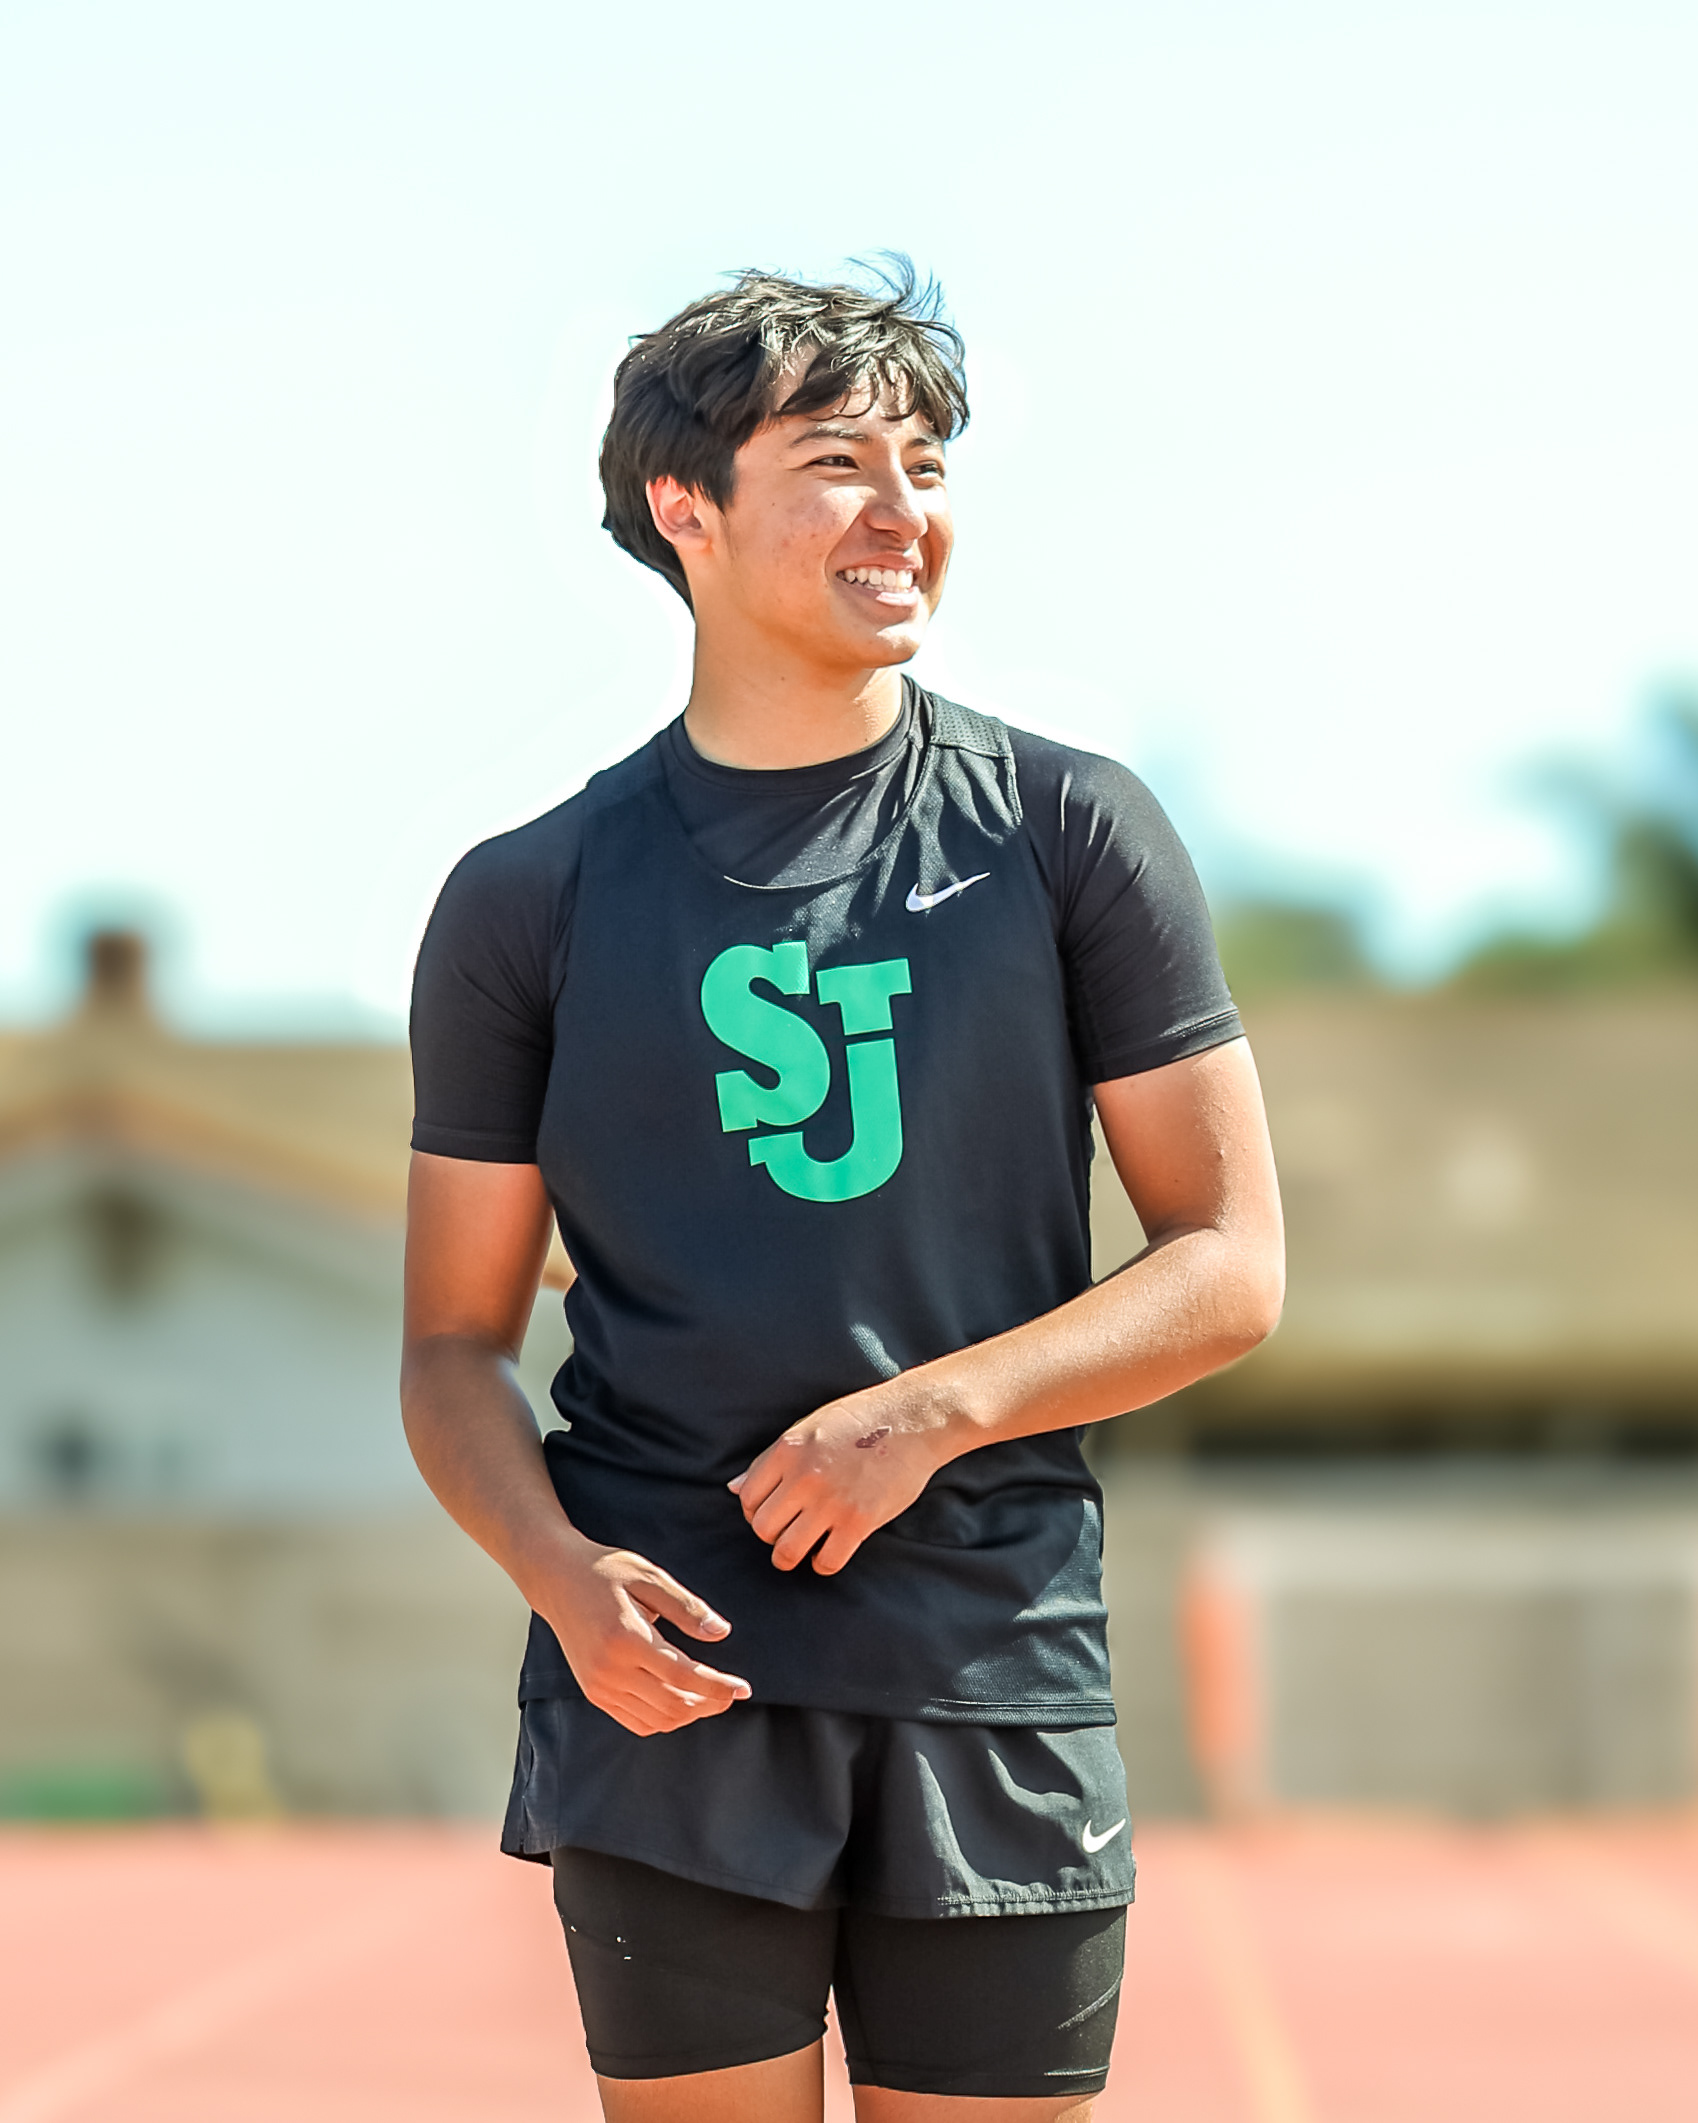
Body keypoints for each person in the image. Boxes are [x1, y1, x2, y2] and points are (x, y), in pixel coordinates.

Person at [402, 263, 1284, 2123]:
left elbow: (1226, 1264)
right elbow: (451, 1342)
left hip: (994, 1659)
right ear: (685, 508)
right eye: (835, 464)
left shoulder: (1066, 828)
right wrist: (559, 1580)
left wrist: (929, 1414)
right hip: (671, 1683)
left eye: (927, 467)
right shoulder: (528, 897)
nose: (903, 512)